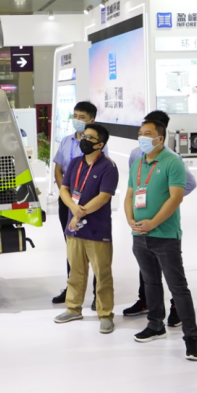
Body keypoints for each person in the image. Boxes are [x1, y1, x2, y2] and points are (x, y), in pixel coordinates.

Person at [126, 119, 197, 361]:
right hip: (139, 235)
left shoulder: (172, 162)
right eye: (140, 134)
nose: (142, 138)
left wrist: (153, 223)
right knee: (150, 283)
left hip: (165, 235)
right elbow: (129, 195)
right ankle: (155, 324)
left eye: (147, 134)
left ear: (160, 138)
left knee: (178, 287)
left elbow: (176, 198)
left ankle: (191, 338)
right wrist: (130, 220)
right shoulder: (137, 163)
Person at [54, 124, 118, 334]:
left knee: (102, 274)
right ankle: (73, 308)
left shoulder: (108, 167)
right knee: (75, 272)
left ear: (100, 144)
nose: (84, 139)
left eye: (90, 137)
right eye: (84, 136)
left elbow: (104, 196)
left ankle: (105, 314)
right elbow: (65, 188)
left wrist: (79, 213)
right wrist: (73, 208)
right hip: (74, 229)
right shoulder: (74, 163)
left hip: (97, 231)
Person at [52, 101, 98, 306]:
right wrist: (67, 198)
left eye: (82, 117)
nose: (77, 120)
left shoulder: (97, 143)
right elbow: (58, 170)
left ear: (91, 120)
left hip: (89, 204)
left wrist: (83, 202)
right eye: (75, 116)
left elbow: (99, 173)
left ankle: (99, 293)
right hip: (68, 201)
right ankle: (72, 288)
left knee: (95, 247)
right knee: (71, 245)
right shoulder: (66, 141)